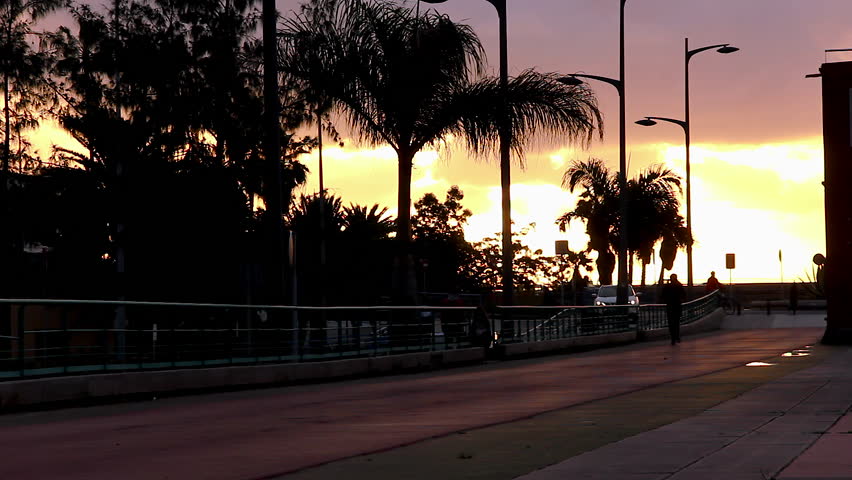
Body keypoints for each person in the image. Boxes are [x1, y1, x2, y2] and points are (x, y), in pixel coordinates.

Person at [661, 273, 686, 345]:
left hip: (671, 306)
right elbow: (684, 295)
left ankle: (673, 337)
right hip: (677, 306)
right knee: (676, 323)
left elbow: (663, 295)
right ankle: (676, 337)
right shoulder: (679, 285)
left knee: (671, 323)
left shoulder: (668, 286)